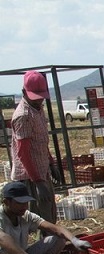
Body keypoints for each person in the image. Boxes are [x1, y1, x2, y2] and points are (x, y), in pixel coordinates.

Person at [0, 181, 92, 254]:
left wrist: (74, 240)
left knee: (57, 239)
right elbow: (3, 238)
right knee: (5, 249)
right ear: (6, 202)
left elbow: (55, 228)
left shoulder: (25, 215)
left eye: (26, 202)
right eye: (20, 203)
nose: (25, 206)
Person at [10, 70, 59, 223]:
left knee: (50, 212)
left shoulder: (38, 109)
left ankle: (52, 243)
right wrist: (38, 182)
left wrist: (51, 163)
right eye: (35, 98)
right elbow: (23, 153)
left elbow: (41, 141)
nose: (39, 101)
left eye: (41, 98)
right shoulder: (23, 116)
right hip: (30, 176)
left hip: (42, 169)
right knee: (40, 218)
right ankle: (45, 245)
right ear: (24, 92)